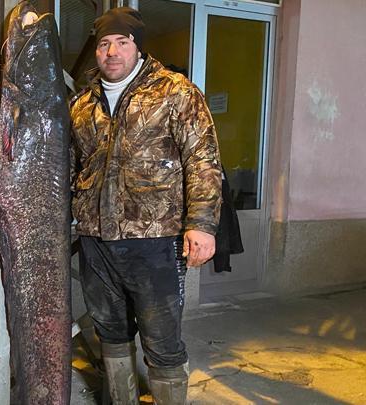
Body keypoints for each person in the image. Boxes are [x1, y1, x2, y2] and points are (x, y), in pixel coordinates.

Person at [70, 7, 222, 405]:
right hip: (96, 240)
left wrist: (202, 225)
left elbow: (203, 160)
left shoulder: (175, 91)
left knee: (162, 340)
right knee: (110, 333)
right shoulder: (83, 104)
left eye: (122, 42)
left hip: (155, 241)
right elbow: (73, 168)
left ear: (137, 47)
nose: (112, 51)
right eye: (104, 43)